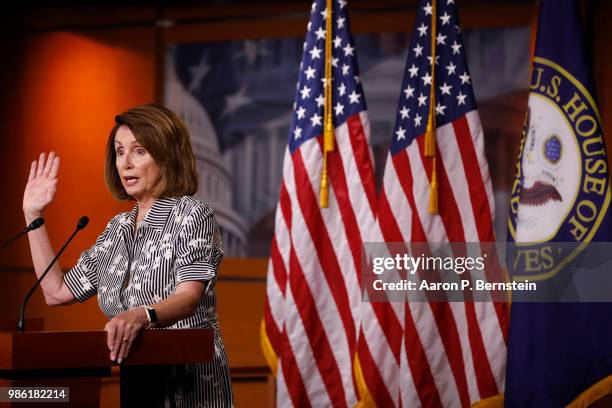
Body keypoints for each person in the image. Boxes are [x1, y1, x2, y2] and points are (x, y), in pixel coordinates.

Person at [22, 104, 233, 407]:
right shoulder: (116, 229)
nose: (125, 164)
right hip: (137, 380)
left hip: (189, 385)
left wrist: (140, 315)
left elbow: (189, 296)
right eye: (120, 152)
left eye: (139, 151)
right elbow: (56, 292)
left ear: (167, 155)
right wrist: (33, 214)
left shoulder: (191, 214)